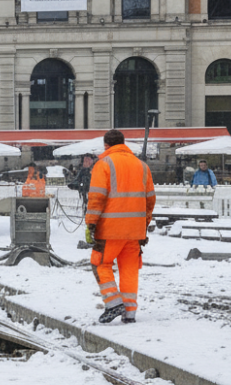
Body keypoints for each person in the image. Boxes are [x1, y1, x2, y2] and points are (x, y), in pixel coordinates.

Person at [85, 130, 155, 324]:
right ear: (124, 143)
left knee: (100, 264)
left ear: (106, 145)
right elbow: (150, 200)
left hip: (110, 229)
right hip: (134, 230)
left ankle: (113, 303)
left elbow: (97, 197)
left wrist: (91, 223)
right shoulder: (142, 166)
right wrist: (144, 223)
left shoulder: (104, 164)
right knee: (129, 269)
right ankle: (130, 311)